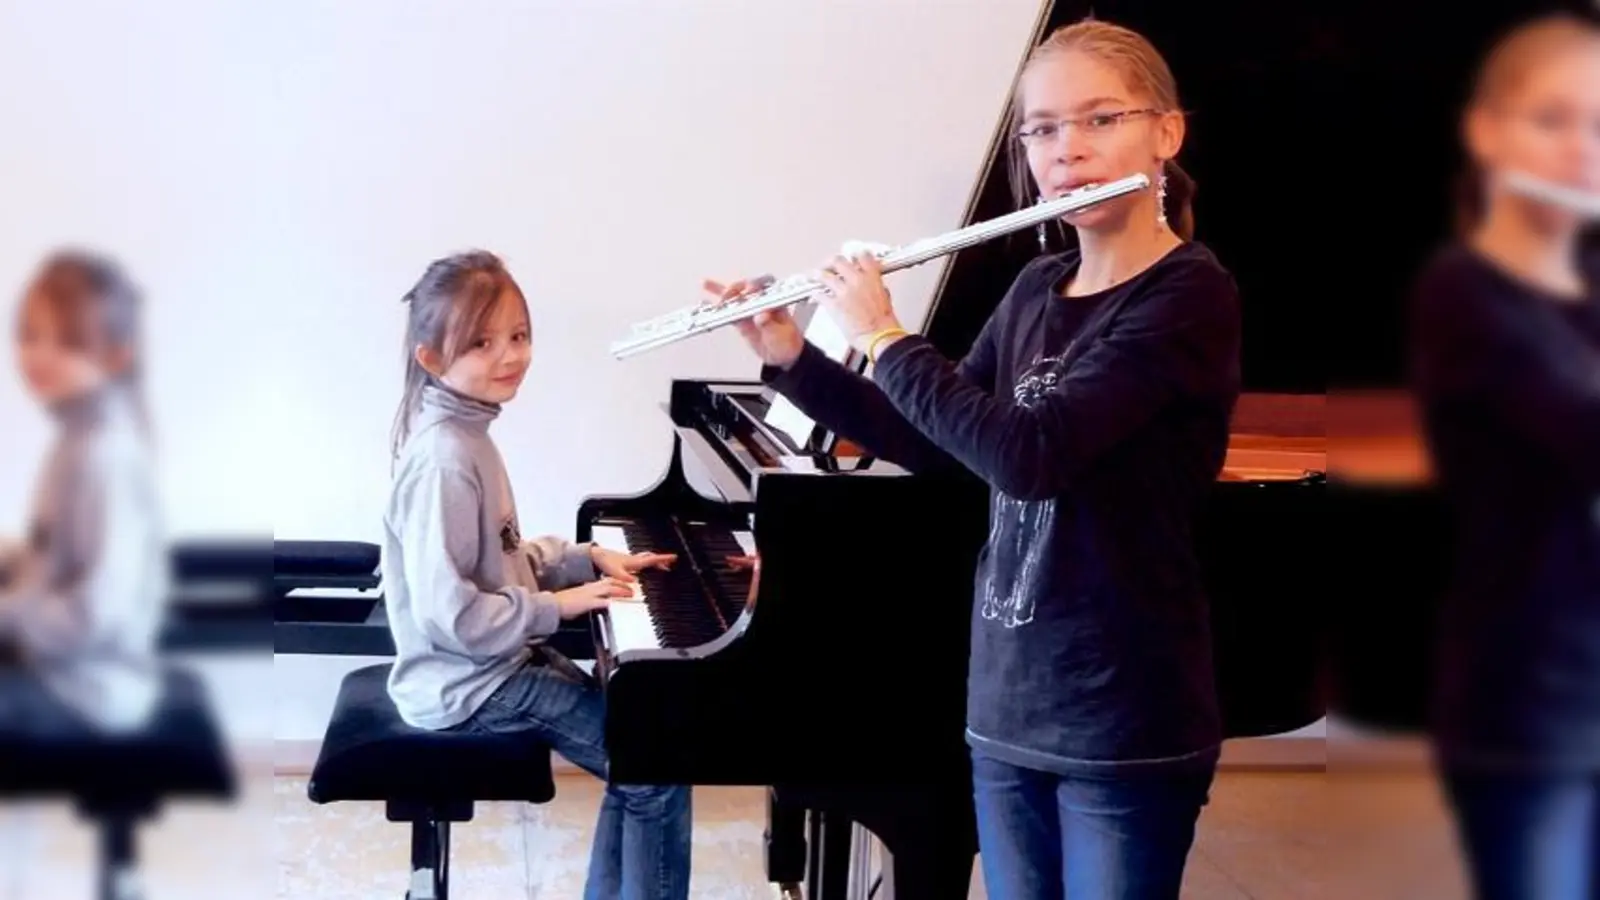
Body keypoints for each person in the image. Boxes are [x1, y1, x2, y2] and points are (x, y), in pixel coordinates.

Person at [706, 17, 1240, 900]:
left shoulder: (1189, 295)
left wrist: (883, 333)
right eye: (1043, 129)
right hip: (1006, 701)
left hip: (1122, 713)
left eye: (1100, 119)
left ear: (1167, 133)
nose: (1068, 149)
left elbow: (1030, 455)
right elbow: (943, 442)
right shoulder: (1034, 288)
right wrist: (793, 359)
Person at [381, 250, 692, 899]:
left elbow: (504, 554)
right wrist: (563, 605)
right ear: (431, 358)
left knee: (645, 744)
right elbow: (454, 616)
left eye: (519, 335)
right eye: (482, 342)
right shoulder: (445, 459)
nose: (510, 356)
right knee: (655, 767)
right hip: (468, 684)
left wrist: (583, 558)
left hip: (491, 664)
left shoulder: (468, 434)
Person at [1407, 13, 1600, 899]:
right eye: (1552, 120)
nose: (1582, 149)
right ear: (1487, 134)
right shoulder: (1466, 293)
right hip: (1530, 712)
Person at [0, 250, 167, 737]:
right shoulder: (76, 436)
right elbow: (57, 557)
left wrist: (8, 614)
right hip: (58, 663)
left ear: (117, 356)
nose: (40, 354)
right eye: (31, 335)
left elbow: (97, 612)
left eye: (69, 341)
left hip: (91, 687)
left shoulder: (105, 454)